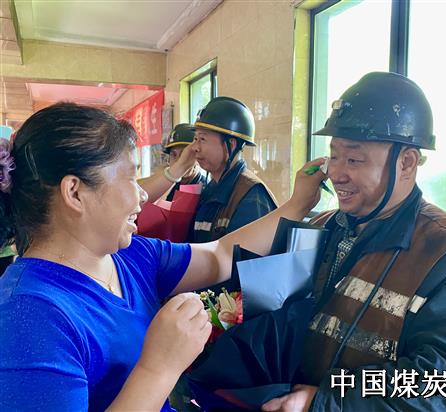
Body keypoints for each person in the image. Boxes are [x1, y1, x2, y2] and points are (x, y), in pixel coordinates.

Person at [0, 102, 325, 412]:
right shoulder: (28, 315)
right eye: (130, 176)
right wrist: (159, 367)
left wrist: (297, 205)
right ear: (74, 192)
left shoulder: (130, 255)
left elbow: (220, 254)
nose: (142, 194)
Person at [261, 72, 446, 412]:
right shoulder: (321, 226)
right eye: (334, 156)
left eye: (354, 159)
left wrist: (325, 403)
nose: (336, 173)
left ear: (406, 163)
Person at [189, 96, 278, 242]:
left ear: (231, 145)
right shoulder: (211, 189)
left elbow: (242, 255)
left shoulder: (252, 197)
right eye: (195, 139)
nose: (195, 148)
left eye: (202, 139)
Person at [139, 123, 207, 203]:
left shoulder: (206, 190)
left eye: (184, 154)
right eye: (174, 155)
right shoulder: (167, 183)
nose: (179, 160)